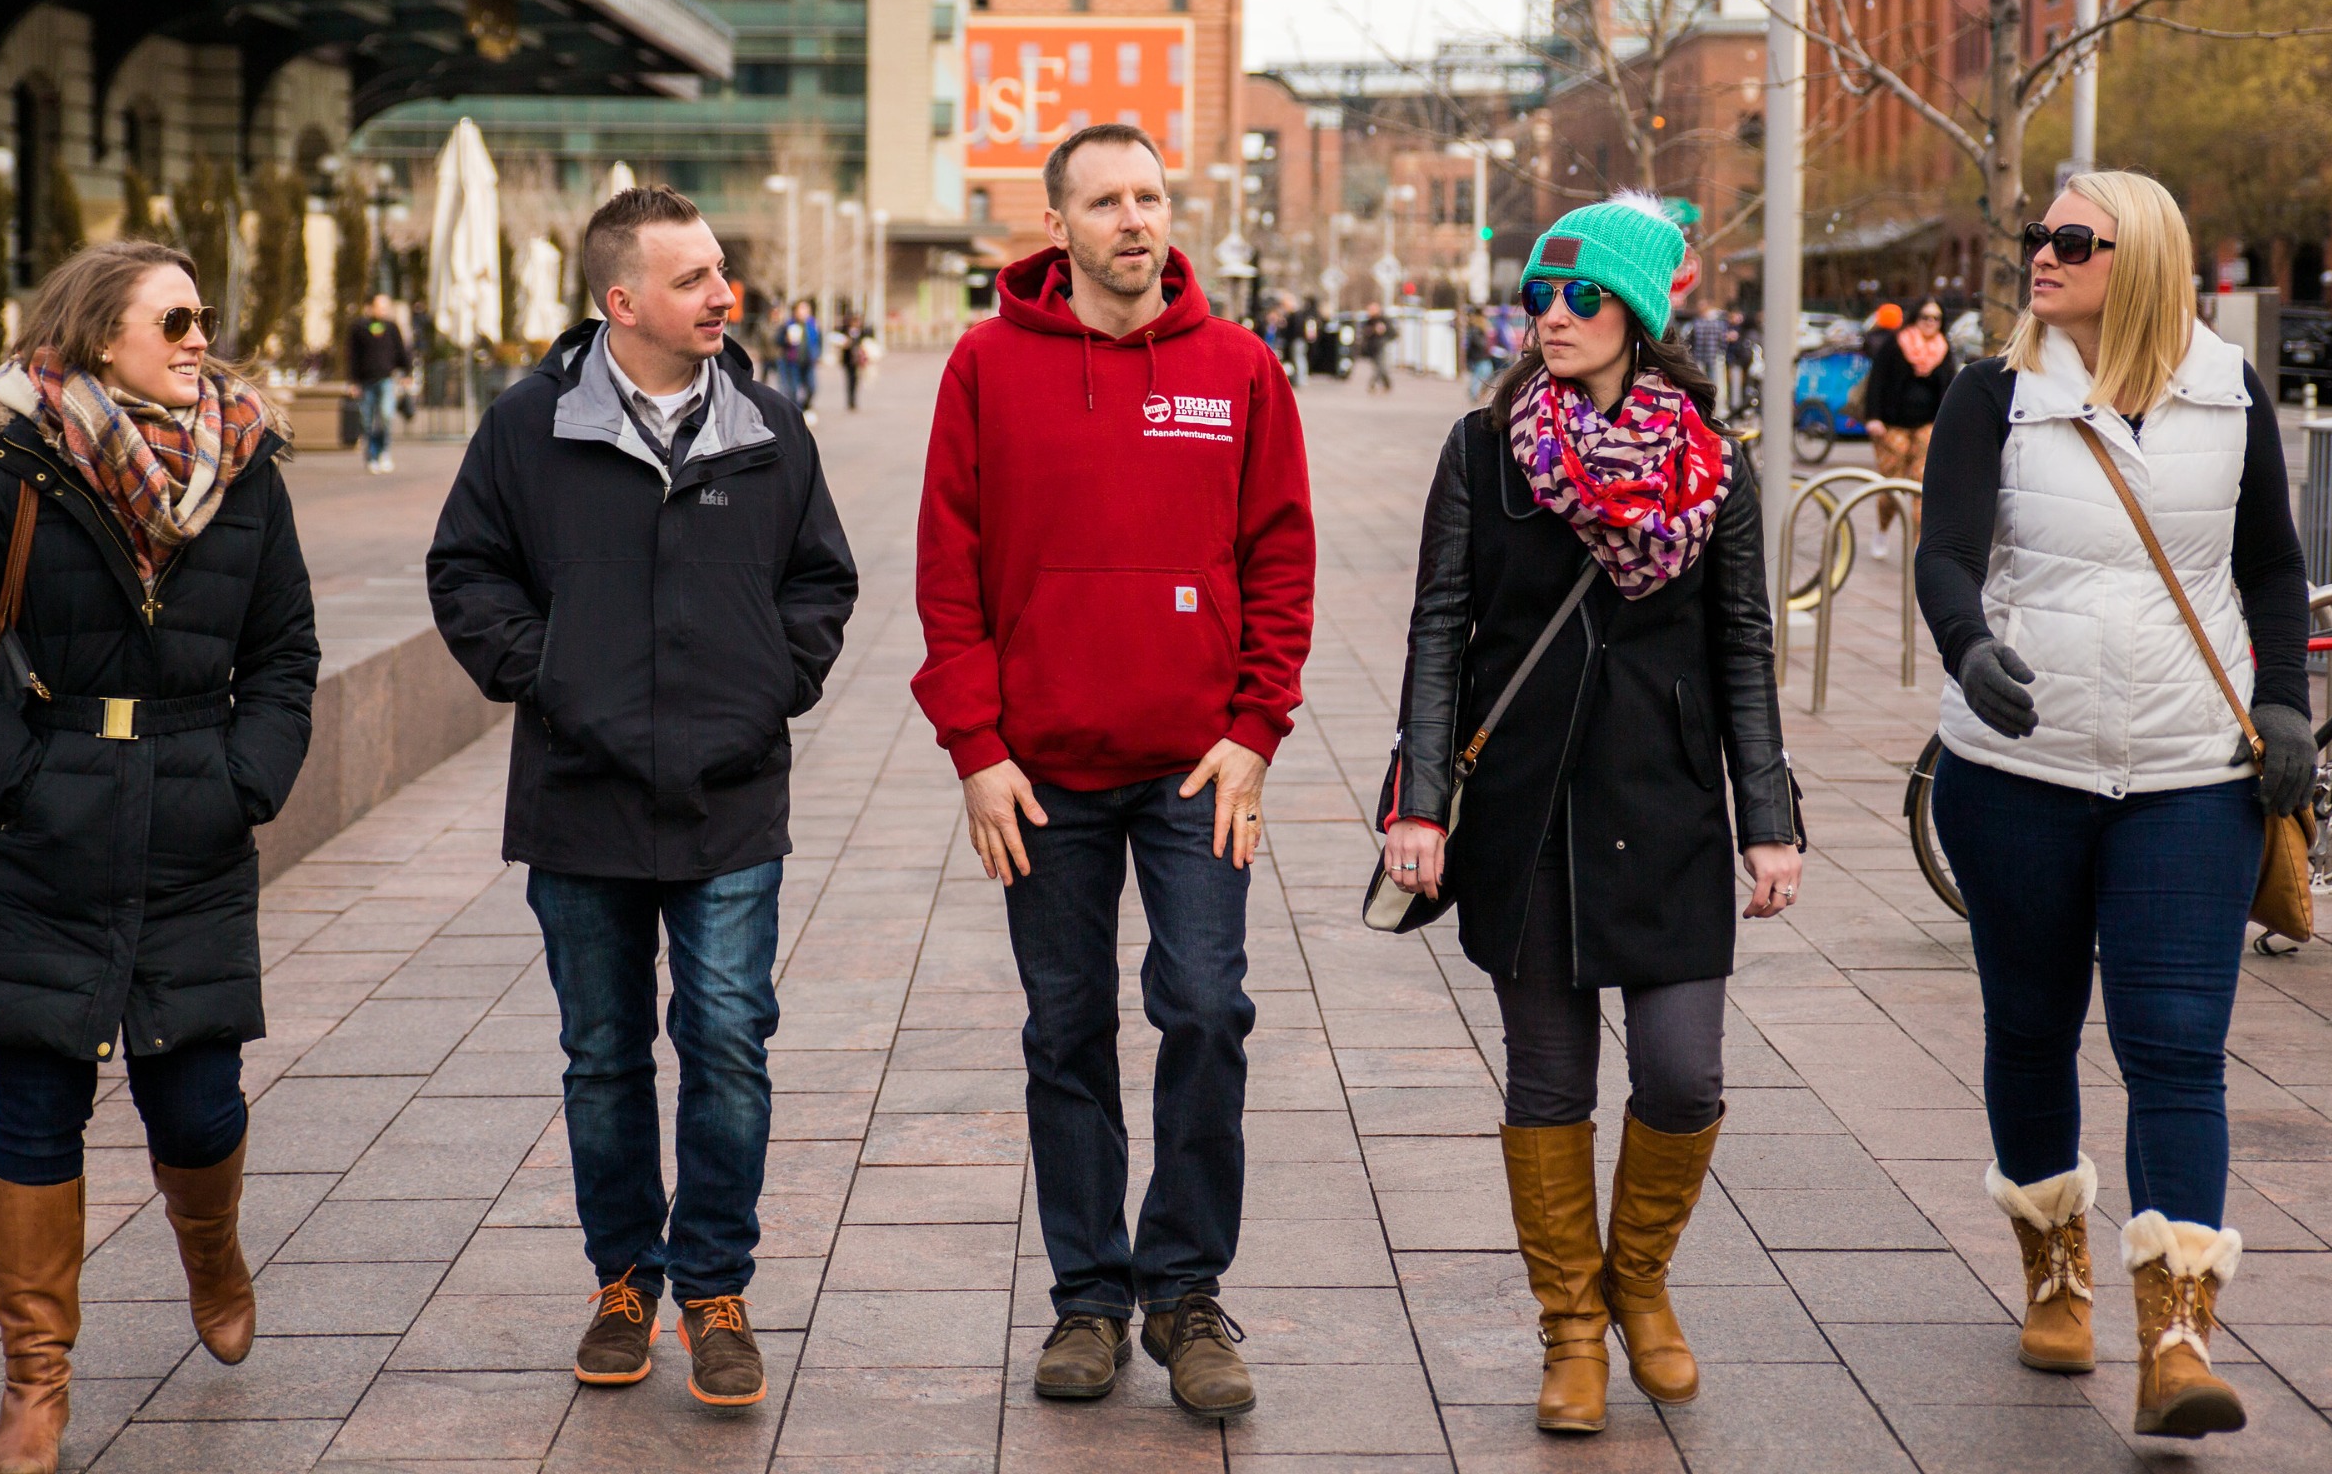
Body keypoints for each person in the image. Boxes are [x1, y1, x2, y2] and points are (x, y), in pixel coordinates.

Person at [0, 242, 317, 1474]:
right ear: (94, 337)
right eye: (172, 318)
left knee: (198, 1099)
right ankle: (35, 1382)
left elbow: (286, 650)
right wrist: (19, 776)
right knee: (37, 1108)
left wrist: (250, 779)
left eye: (204, 316)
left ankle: (213, 1250)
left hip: (192, 813)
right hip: (44, 826)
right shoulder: (10, 473)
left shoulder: (246, 470)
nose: (197, 337)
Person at [427, 186, 858, 1409]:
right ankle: (625, 1277)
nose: (725, 293)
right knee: (604, 1053)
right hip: (578, 797)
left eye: (722, 271)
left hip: (729, 798)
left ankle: (715, 1287)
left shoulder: (771, 424)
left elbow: (821, 576)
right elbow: (466, 571)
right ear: (622, 302)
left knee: (728, 1042)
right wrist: (550, 677)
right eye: (693, 278)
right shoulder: (525, 428)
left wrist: (771, 683)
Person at [914, 123, 1315, 1419]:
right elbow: (948, 571)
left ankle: (1186, 1293)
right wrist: (977, 749)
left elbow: (1281, 558)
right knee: (1066, 1029)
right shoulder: (984, 367)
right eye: (1106, 201)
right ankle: (1090, 1296)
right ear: (1061, 225)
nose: (1135, 219)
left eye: (1149, 196)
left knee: (1207, 1009)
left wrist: (1255, 729)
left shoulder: (1240, 366)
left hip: (1198, 767)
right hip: (1043, 776)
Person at [1383, 196, 1801, 1435]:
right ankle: (1572, 1327)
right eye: (1539, 298)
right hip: (1525, 804)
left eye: (1582, 297)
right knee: (1549, 1075)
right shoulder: (1484, 448)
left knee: (1683, 1071)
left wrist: (1765, 815)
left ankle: (1643, 1282)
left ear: (1638, 315)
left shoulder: (1714, 466)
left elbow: (1743, 641)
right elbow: (1437, 633)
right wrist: (1422, 800)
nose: (1553, 318)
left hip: (1667, 802)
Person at [1916, 170, 2312, 1439]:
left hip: (2193, 774)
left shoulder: (2229, 390)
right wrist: (1970, 644)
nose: (2042, 253)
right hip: (2018, 776)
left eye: (2071, 240)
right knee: (2032, 1025)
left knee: (2178, 1044)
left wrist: (2292, 708)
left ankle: (2179, 1333)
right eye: (2038, 235)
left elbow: (2271, 566)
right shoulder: (1995, 393)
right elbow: (1945, 551)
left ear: (2137, 257)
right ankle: (2056, 1270)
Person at [1862, 297, 1957, 557]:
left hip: (1927, 424)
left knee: (1921, 482)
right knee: (1891, 484)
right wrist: (1874, 417)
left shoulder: (1943, 349)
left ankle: (1919, 543)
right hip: (1893, 425)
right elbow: (1877, 381)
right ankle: (1882, 529)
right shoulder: (1896, 343)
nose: (1931, 323)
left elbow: (1949, 388)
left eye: (1936, 318)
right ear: (1915, 317)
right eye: (1926, 317)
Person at [344, 291, 412, 474]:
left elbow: (401, 350)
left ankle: (384, 452)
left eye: (386, 306)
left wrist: (407, 372)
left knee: (385, 417)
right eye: (380, 306)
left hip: (386, 380)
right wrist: (353, 382)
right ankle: (371, 456)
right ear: (370, 307)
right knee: (367, 421)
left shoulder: (391, 327)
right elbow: (352, 356)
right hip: (365, 382)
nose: (384, 310)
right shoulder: (358, 328)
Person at [1361, 307, 1396, 395]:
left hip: (1381, 346)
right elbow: (1365, 333)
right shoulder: (1369, 321)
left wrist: (1384, 331)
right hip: (1372, 348)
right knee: (1379, 367)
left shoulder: (1384, 320)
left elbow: (1394, 333)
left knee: (1379, 366)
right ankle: (1387, 384)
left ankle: (1372, 385)